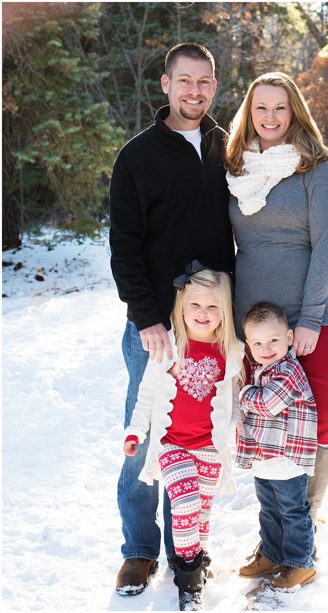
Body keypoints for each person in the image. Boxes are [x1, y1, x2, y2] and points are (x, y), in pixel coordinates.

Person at [109, 42, 234, 595]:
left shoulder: (223, 147)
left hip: (210, 329)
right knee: (147, 437)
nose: (195, 91)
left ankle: (185, 550)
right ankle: (138, 550)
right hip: (157, 331)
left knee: (195, 441)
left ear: (214, 86)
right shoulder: (138, 156)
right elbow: (124, 247)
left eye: (205, 82)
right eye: (185, 81)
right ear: (165, 84)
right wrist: (147, 319)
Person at [225, 72, 328, 554]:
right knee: (262, 422)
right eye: (260, 108)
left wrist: (310, 317)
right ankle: (274, 535)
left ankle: (306, 519)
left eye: (280, 107)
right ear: (249, 113)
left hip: (306, 313)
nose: (270, 117)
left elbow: (326, 245)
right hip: (251, 321)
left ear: (294, 110)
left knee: (326, 419)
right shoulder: (234, 167)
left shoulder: (312, 166)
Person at [123, 265, 244, 610]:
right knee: (186, 503)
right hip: (172, 445)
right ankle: (188, 581)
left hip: (209, 448)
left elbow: (233, 398)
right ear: (181, 307)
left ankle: (199, 562)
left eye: (212, 307)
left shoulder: (230, 352)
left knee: (202, 514)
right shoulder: (170, 346)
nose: (203, 314)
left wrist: (236, 420)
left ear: (224, 311)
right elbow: (145, 393)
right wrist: (136, 430)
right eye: (195, 305)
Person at [235, 302, 319, 590]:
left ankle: (300, 564)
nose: (266, 347)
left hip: (287, 458)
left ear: (289, 338)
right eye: (257, 342)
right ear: (248, 344)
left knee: (293, 512)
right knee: (269, 509)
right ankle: (271, 554)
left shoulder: (289, 370)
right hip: (265, 457)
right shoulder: (261, 370)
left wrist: (244, 393)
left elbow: (267, 404)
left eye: (273, 339)